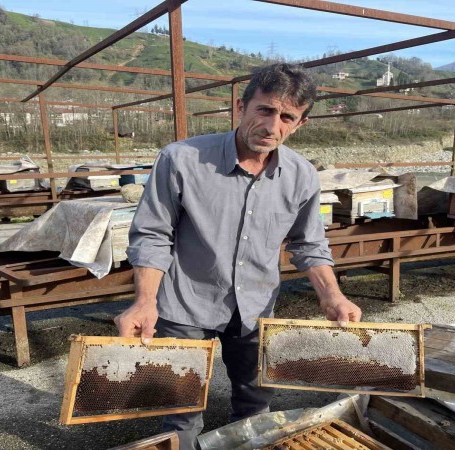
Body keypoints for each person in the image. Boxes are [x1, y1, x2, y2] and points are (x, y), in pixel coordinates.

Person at [115, 63, 362, 449]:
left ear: (300, 123)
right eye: (264, 110)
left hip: (255, 307)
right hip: (184, 305)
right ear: (241, 106)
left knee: (255, 405)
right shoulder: (181, 159)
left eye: (286, 117)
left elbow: (309, 243)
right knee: (180, 411)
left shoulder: (301, 176)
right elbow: (152, 233)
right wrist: (145, 301)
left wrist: (332, 295)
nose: (272, 125)